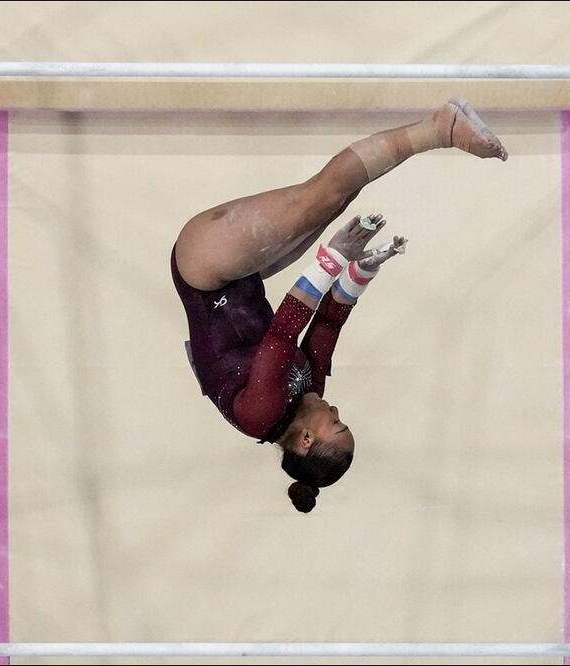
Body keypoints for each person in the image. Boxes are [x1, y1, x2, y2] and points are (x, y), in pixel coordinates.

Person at [170, 97, 506, 512]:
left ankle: (440, 129)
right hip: (241, 276)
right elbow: (328, 323)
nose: (336, 409)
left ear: (307, 440)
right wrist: (362, 269)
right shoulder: (309, 395)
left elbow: (283, 332)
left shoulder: (261, 412)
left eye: (337, 423)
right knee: (337, 199)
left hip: (204, 269)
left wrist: (332, 258)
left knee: (318, 197)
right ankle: (439, 130)